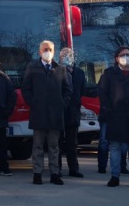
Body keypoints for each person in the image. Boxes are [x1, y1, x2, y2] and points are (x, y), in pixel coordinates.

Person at [21, 40, 72, 185]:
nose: (47, 52)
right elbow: (26, 88)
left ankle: (55, 174)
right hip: (39, 113)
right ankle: (37, 173)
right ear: (39, 52)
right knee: (37, 146)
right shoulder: (33, 68)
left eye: (50, 49)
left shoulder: (61, 69)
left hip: (55, 114)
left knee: (54, 146)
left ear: (54, 52)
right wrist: (33, 102)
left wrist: (62, 104)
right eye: (45, 49)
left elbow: (68, 90)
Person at [97, 45, 129, 188]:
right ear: (117, 58)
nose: (126, 57)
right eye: (123, 55)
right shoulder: (109, 74)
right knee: (115, 147)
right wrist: (108, 109)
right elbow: (102, 93)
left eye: (128, 54)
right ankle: (115, 176)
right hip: (116, 115)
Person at [58, 47, 87, 178]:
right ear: (59, 57)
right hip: (59, 111)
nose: (66, 57)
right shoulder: (55, 71)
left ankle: (73, 169)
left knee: (72, 143)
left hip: (73, 111)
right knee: (57, 142)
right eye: (63, 55)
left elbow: (82, 90)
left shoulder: (80, 73)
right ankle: (57, 169)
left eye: (69, 55)